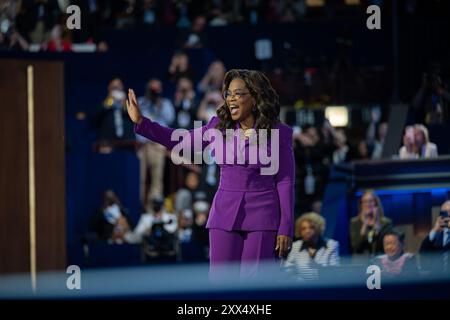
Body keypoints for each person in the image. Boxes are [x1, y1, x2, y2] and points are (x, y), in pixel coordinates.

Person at [126, 69, 295, 280]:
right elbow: (179, 140)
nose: (231, 99)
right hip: (224, 214)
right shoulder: (218, 127)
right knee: (221, 285)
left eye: (238, 93)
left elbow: (285, 181)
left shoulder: (280, 132)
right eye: (228, 94)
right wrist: (142, 122)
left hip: (264, 217)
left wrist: (286, 226)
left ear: (255, 97)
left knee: (256, 287)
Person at [283, 212, 339, 281]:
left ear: (319, 228)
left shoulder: (331, 245)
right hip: (301, 288)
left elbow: (334, 271)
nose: (307, 231)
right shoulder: (295, 246)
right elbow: (288, 271)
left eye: (311, 227)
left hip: (324, 286)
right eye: (303, 229)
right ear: (299, 231)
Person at [350, 190, 393, 258]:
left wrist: (377, 222)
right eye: (365, 202)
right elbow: (356, 247)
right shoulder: (354, 222)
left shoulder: (386, 223)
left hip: (380, 262)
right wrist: (364, 224)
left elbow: (384, 245)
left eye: (370, 201)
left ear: (376, 203)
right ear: (361, 204)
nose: (368, 204)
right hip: (360, 264)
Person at [420, 200, 450, 273]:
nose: (448, 215)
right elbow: (423, 254)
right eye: (444, 213)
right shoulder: (437, 236)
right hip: (438, 278)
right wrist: (434, 230)